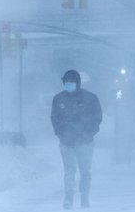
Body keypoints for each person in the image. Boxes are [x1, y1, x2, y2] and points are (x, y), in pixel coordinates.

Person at [50, 69, 102, 209]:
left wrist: (89, 133)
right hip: (66, 143)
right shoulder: (58, 99)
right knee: (69, 171)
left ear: (78, 83)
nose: (69, 84)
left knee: (85, 171)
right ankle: (68, 198)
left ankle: (84, 197)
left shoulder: (90, 98)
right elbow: (54, 119)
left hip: (85, 143)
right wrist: (60, 134)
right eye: (66, 82)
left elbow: (97, 118)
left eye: (72, 82)